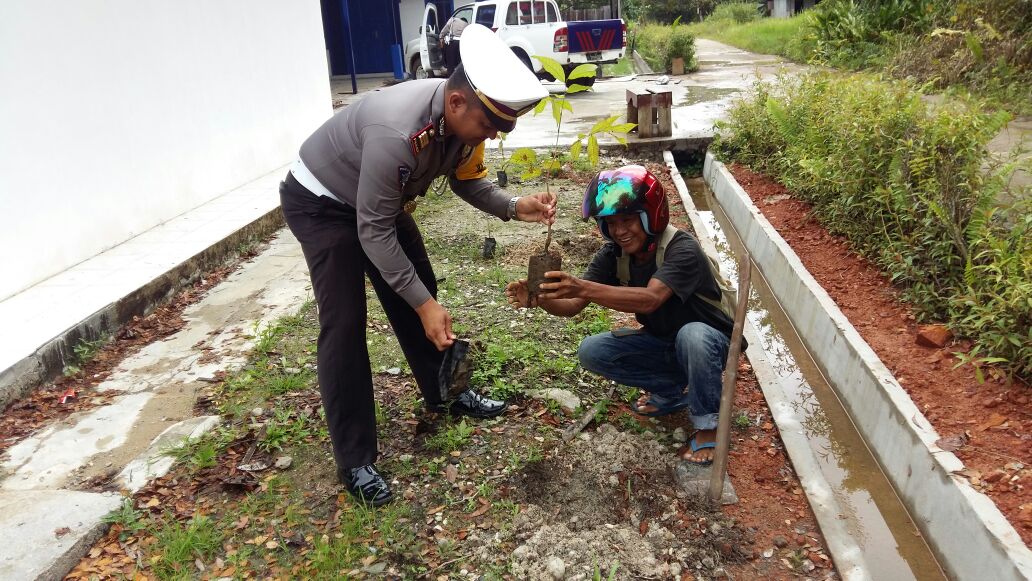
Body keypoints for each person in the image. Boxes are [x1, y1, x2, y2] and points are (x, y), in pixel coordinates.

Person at [280, 24, 553, 507]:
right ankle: (356, 459)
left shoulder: (470, 120)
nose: (492, 135)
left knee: (419, 287)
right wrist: (425, 306)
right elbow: (372, 232)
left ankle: (445, 392)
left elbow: (469, 181)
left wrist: (514, 207)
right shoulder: (397, 132)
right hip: (321, 202)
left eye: (500, 128)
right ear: (456, 104)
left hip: (379, 203)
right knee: (345, 322)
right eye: (490, 126)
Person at [505, 165, 740, 466]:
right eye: (611, 223)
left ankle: (709, 426)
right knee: (593, 350)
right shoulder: (613, 255)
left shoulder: (682, 249)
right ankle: (670, 392)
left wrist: (583, 286)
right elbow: (574, 304)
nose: (619, 231)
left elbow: (650, 299)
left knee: (692, 335)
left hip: (709, 344)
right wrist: (539, 300)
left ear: (650, 215)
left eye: (628, 219)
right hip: (662, 342)